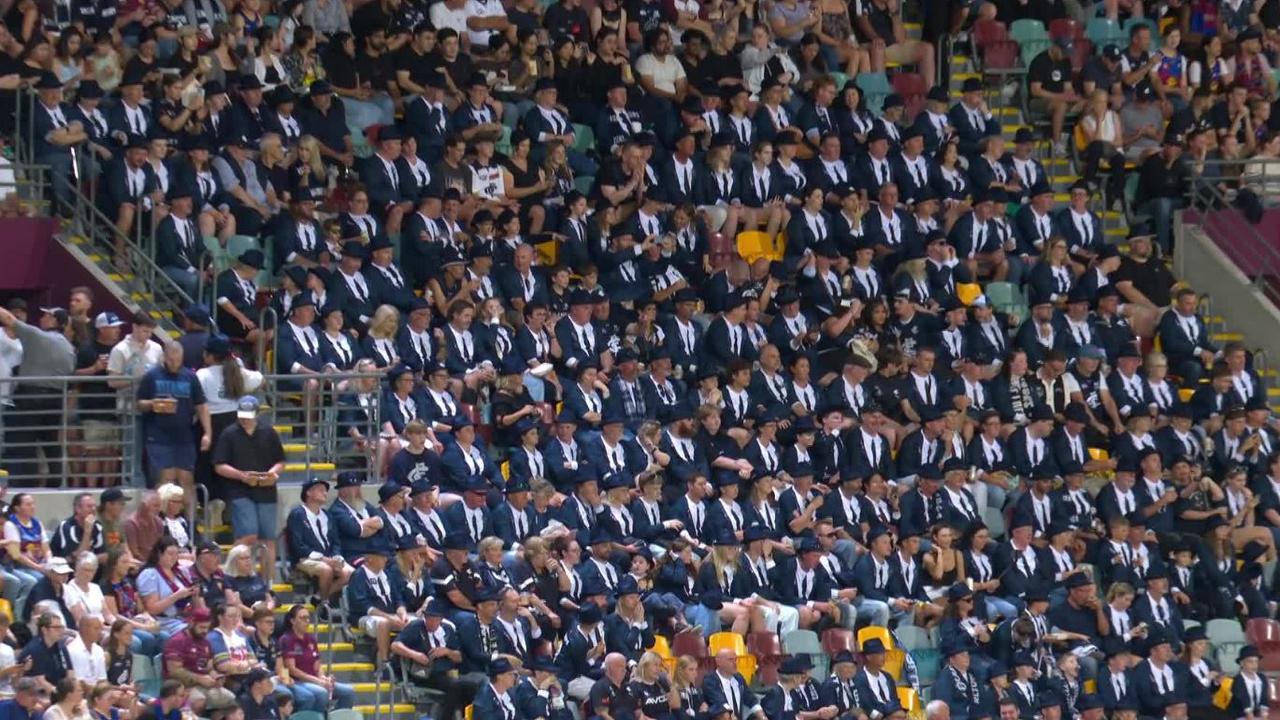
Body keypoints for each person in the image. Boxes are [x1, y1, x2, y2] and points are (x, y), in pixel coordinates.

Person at [212, 396, 285, 583]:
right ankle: (231, 576)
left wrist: (272, 474)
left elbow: (280, 461)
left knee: (268, 539)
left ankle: (267, 583)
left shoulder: (268, 433)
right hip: (239, 490)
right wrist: (242, 475)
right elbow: (219, 465)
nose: (244, 419)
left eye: (248, 416)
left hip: (266, 490)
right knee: (248, 534)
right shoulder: (229, 434)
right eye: (242, 416)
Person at [136, 343, 212, 491]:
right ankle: (163, 513)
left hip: (184, 436)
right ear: (164, 357)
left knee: (186, 479)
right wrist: (154, 404)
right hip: (158, 436)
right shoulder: (152, 376)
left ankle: (190, 515)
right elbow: (139, 403)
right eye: (171, 360)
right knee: (166, 479)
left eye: (178, 361)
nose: (174, 364)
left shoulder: (190, 376)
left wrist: (208, 433)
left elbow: (201, 406)